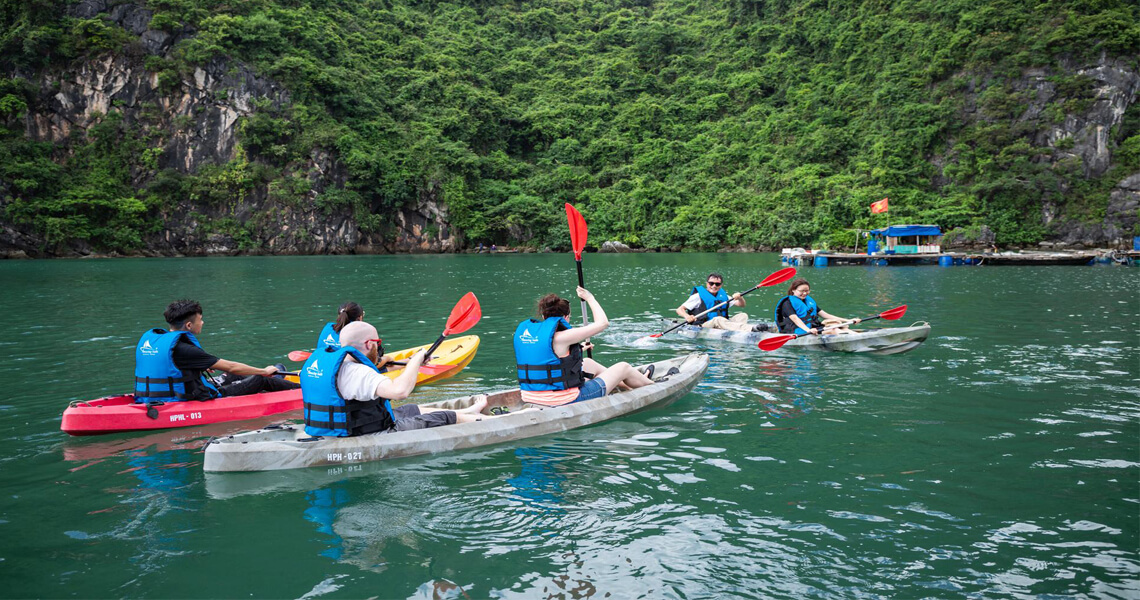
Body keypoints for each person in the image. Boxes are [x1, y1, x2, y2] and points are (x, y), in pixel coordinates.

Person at [301, 321, 494, 437]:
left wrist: (413, 363)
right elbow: (400, 391)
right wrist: (418, 358)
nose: (378, 346)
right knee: (444, 417)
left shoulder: (327, 363)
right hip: (366, 434)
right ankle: (486, 420)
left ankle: (470, 410)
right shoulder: (357, 373)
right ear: (369, 344)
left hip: (332, 428)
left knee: (409, 409)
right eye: (378, 343)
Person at [514, 287, 663, 407]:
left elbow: (548, 360)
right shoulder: (564, 336)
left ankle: (628, 386)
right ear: (565, 317)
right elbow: (603, 323)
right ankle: (655, 387)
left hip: (529, 396)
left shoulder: (526, 334)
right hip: (564, 400)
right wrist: (590, 298)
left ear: (544, 316)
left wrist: (579, 350)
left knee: (589, 363)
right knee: (623, 367)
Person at [133, 300, 299, 404]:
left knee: (234, 377)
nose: (203, 323)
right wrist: (264, 371)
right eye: (200, 320)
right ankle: (301, 388)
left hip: (156, 394)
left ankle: (277, 375)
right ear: (189, 326)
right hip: (190, 397)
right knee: (260, 379)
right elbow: (232, 366)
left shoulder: (158, 341)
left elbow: (172, 366)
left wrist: (198, 367)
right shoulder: (186, 350)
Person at [315, 302, 394, 370]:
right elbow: (373, 364)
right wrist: (387, 359)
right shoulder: (360, 333)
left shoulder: (328, 328)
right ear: (360, 318)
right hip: (342, 373)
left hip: (322, 368)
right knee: (390, 367)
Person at [675, 273, 761, 332]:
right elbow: (679, 309)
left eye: (717, 284)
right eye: (711, 283)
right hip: (704, 326)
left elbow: (742, 305)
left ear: (721, 285)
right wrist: (687, 316)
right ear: (707, 284)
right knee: (718, 319)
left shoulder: (724, 296)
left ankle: (740, 330)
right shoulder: (698, 296)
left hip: (721, 324)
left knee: (743, 315)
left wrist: (740, 298)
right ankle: (750, 329)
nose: (714, 286)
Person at [774, 278, 861, 336]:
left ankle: (857, 335)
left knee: (838, 324)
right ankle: (853, 337)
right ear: (793, 290)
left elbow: (825, 315)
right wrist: (808, 330)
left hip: (812, 327)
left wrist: (848, 320)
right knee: (833, 330)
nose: (804, 293)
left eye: (807, 291)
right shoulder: (787, 303)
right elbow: (795, 319)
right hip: (796, 330)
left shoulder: (808, 301)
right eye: (802, 291)